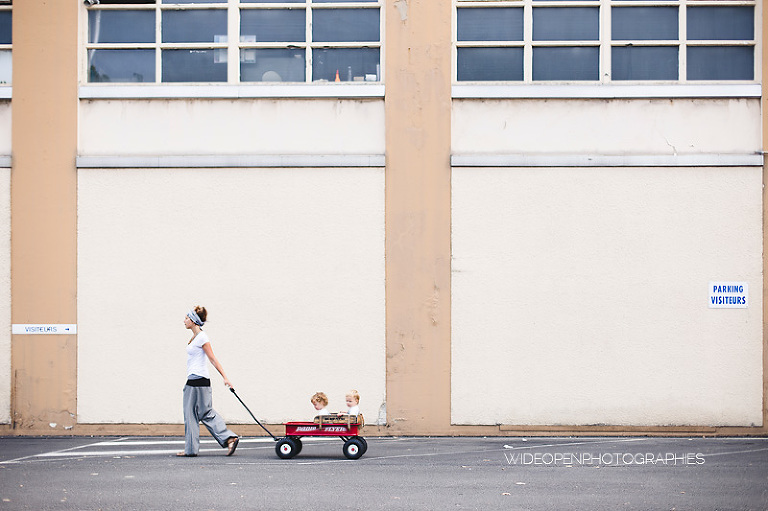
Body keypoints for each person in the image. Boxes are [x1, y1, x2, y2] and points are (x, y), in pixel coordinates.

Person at [177, 306, 239, 457]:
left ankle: (190, 450)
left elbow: (213, 359)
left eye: (186, 318)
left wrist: (225, 377)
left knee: (190, 414)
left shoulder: (202, 338)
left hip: (195, 381)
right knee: (206, 412)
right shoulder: (196, 337)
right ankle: (229, 438)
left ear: (193, 320)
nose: (184, 321)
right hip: (200, 380)